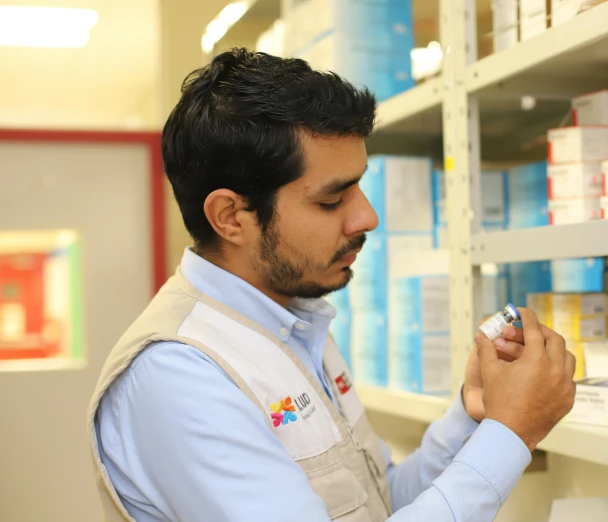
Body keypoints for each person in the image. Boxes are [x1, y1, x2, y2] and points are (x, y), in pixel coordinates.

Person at [86, 48, 576, 522]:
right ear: (231, 216)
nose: (367, 216)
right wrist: (510, 434)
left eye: (358, 186)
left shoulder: (292, 320)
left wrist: (474, 417)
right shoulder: (179, 374)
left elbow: (380, 503)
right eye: (331, 199)